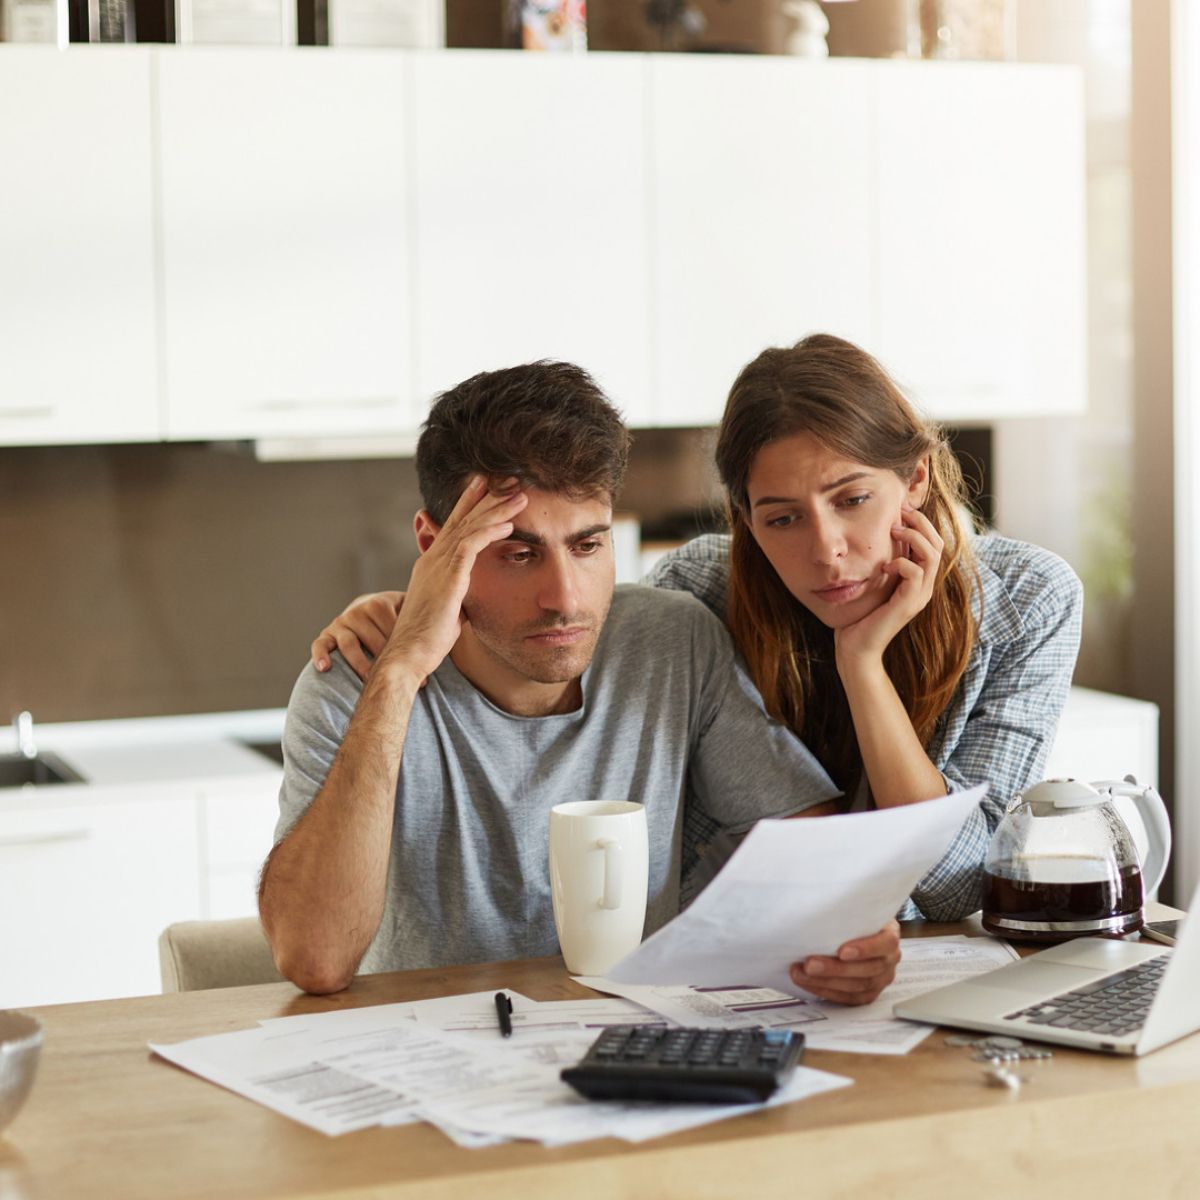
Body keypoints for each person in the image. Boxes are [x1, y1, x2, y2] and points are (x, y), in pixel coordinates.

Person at [313, 335, 1084, 923]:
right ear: (745, 519)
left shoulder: (1028, 603)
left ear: (913, 478)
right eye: (781, 518)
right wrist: (414, 613)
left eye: (852, 500)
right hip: (741, 967)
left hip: (906, 965)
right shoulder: (704, 591)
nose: (825, 551)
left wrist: (863, 665)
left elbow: (954, 886)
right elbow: (558, 627)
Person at [260, 359, 902, 1001]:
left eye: (588, 546)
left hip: (633, 1045)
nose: (564, 598)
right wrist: (400, 673)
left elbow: (814, 850)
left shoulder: (672, 643)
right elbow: (315, 960)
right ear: (434, 546)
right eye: (518, 553)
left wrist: (849, 935)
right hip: (429, 1057)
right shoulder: (356, 681)